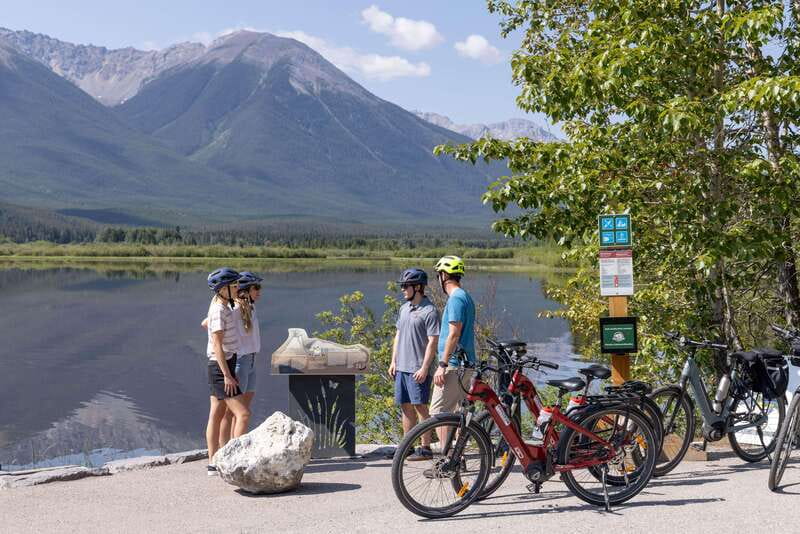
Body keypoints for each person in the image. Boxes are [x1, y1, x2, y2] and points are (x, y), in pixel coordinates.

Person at [389, 268, 440, 460]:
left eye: (405, 286)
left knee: (420, 407)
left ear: (417, 287)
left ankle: (425, 448)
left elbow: (433, 342)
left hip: (417, 368)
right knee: (405, 406)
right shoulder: (404, 309)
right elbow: (399, 335)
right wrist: (393, 361)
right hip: (401, 367)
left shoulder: (430, 311)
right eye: (402, 286)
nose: (402, 290)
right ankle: (407, 447)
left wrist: (425, 368)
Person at [204, 267, 251, 476]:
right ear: (223, 289)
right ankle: (232, 458)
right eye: (233, 285)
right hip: (220, 366)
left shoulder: (224, 305)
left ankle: (213, 462)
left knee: (217, 413)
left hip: (226, 363)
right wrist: (227, 375)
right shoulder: (218, 311)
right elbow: (217, 345)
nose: (237, 288)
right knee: (243, 414)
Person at [430, 256, 475, 445]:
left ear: (444, 275)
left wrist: (442, 364)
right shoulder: (465, 297)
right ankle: (457, 457)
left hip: (454, 365)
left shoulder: (456, 299)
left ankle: (446, 457)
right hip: (466, 364)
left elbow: (454, 334)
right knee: (458, 413)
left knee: (439, 413)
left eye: (438, 274)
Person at [218, 271, 263, 445]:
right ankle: (228, 453)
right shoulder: (233, 308)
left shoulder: (250, 306)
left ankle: (234, 446)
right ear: (245, 289)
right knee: (231, 412)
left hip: (251, 361)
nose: (259, 291)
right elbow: (208, 323)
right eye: (256, 288)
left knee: (243, 411)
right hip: (240, 362)